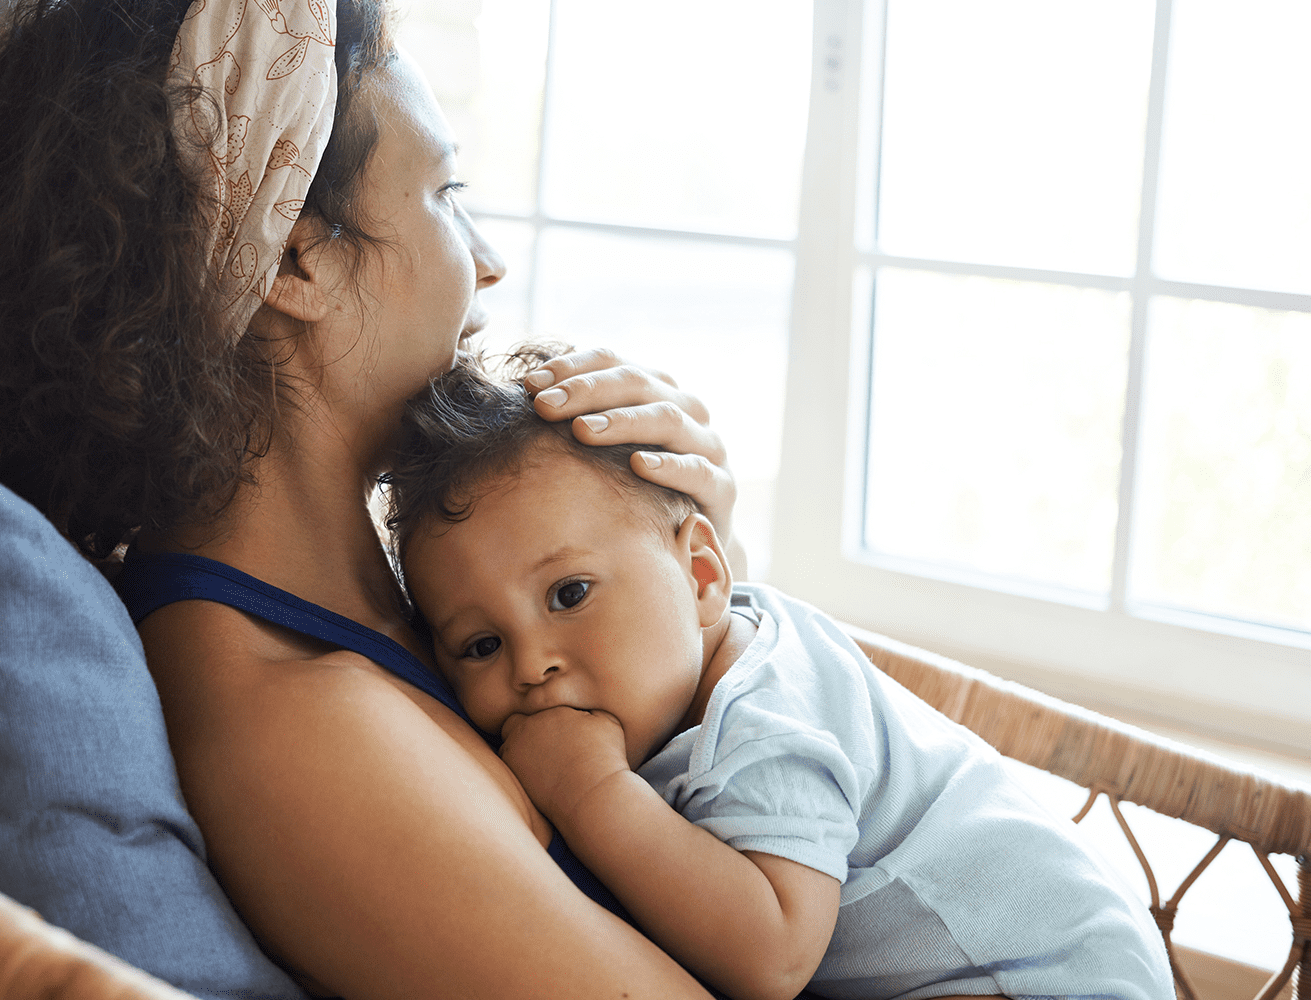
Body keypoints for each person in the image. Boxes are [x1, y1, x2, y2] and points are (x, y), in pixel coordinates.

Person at [0, 0, 739, 994]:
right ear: (296, 258)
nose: (489, 264)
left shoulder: (397, 599)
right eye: (444, 194)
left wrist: (695, 571)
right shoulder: (303, 733)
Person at [383, 353, 1177, 1000]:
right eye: (481, 645)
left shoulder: (760, 722)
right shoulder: (685, 663)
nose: (533, 665)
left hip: (1036, 973)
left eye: (569, 595)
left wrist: (591, 792)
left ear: (701, 576)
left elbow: (773, 960)